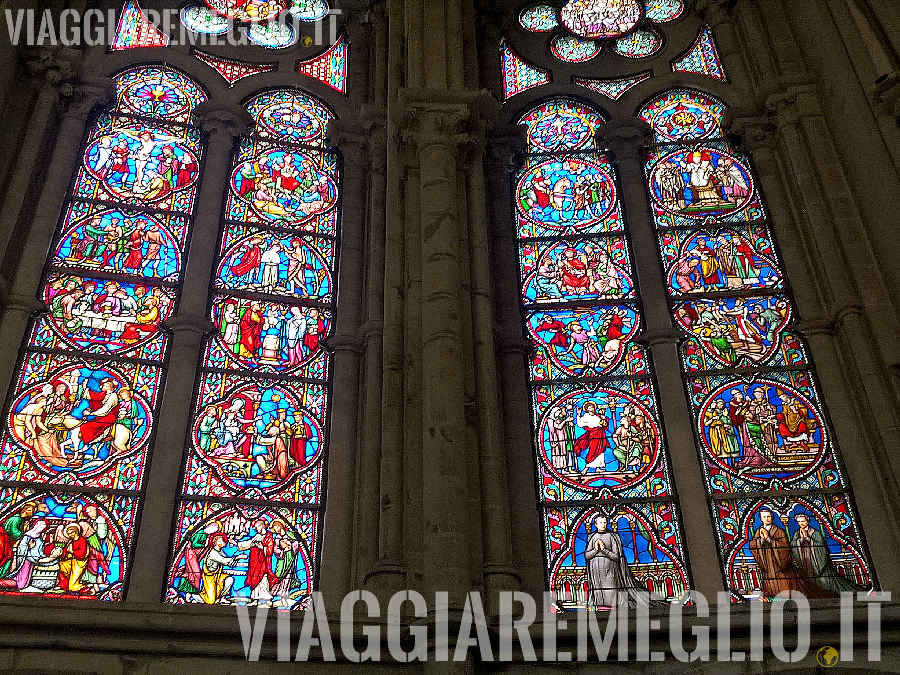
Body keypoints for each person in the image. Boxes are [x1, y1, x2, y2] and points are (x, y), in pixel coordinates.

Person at [748, 509, 832, 599]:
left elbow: (785, 547)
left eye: (769, 516)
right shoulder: (758, 532)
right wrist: (761, 540)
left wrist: (769, 539)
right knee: (771, 586)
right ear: (761, 518)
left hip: (779, 564)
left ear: (772, 517)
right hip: (767, 564)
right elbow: (753, 545)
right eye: (764, 517)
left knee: (784, 587)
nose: (767, 519)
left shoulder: (779, 531)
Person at [790, 513, 866, 595]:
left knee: (824, 582)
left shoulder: (815, 533)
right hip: (805, 561)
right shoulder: (797, 533)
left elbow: (821, 547)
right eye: (799, 522)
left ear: (807, 521)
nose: (801, 524)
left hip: (816, 564)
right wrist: (800, 541)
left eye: (803, 521)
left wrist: (808, 539)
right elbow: (793, 545)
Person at [584, 514, 648, 608]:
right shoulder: (592, 537)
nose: (603, 524)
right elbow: (587, 555)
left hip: (610, 571)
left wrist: (604, 549)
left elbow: (616, 556)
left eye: (605, 522)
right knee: (599, 602)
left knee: (611, 601)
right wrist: (596, 550)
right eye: (601, 522)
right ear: (596, 524)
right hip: (595, 574)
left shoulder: (612, 536)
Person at [573, 402, 609, 475]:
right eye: (589, 408)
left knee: (601, 451)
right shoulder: (586, 417)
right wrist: (578, 414)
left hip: (600, 435)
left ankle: (598, 468)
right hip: (593, 435)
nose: (591, 409)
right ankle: (586, 468)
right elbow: (580, 424)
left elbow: (604, 423)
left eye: (592, 407)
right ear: (587, 409)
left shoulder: (598, 416)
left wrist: (604, 418)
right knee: (592, 451)